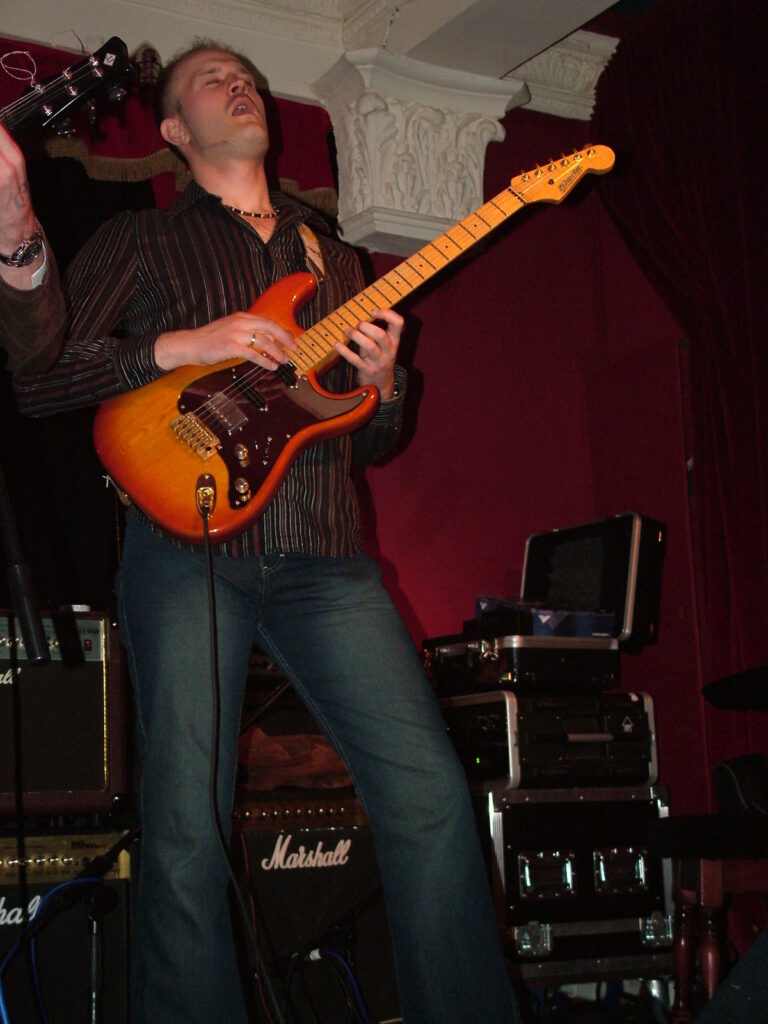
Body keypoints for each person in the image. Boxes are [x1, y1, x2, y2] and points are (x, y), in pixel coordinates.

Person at [0, 40, 523, 1024]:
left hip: (327, 556)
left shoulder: (336, 258)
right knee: (186, 827)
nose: (238, 83)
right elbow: (40, 379)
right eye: (211, 79)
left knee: (429, 795)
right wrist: (183, 345)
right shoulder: (143, 240)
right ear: (171, 130)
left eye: (245, 75)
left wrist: (382, 388)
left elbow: (373, 437)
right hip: (188, 550)